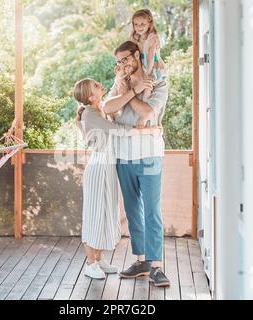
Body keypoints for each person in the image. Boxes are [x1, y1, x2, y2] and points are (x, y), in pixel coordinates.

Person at [74, 78, 162, 280]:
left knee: (105, 213)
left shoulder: (100, 109)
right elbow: (119, 131)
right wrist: (149, 130)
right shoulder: (90, 114)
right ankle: (90, 263)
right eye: (96, 86)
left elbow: (117, 99)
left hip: (108, 168)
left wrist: (119, 79)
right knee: (94, 214)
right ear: (90, 96)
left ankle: (99, 259)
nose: (99, 84)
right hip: (99, 168)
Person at [103, 40, 170, 287]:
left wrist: (128, 93)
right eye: (119, 61)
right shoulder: (120, 83)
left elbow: (146, 113)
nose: (123, 65)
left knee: (152, 211)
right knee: (133, 212)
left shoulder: (159, 82)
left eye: (126, 59)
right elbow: (107, 107)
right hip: (123, 156)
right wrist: (130, 90)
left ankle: (156, 267)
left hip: (150, 155)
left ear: (138, 55)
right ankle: (141, 261)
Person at [130, 8, 168, 128]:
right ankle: (137, 110)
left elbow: (151, 58)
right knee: (139, 86)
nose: (139, 27)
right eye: (136, 24)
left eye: (142, 24)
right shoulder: (136, 37)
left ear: (150, 23)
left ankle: (144, 116)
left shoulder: (153, 37)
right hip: (142, 67)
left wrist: (148, 72)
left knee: (148, 88)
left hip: (154, 67)